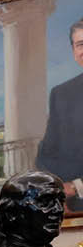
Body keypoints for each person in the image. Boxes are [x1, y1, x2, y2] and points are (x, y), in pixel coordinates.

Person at [35, 17, 83, 211]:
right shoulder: (61, 94)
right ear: (74, 51)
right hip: (70, 206)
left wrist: (77, 186)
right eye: (80, 44)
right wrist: (57, 187)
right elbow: (46, 152)